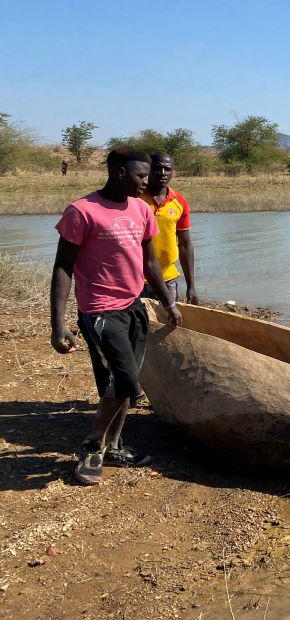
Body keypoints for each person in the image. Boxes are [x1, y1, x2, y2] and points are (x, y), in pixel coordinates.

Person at [50, 147, 182, 486]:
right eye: (141, 176)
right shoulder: (82, 211)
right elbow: (63, 267)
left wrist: (169, 302)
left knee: (118, 383)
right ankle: (93, 446)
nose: (147, 182)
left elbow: (150, 262)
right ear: (121, 173)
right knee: (125, 382)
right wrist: (59, 324)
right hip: (99, 310)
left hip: (134, 306)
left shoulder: (141, 209)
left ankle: (115, 446)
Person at [140, 152, 199, 306]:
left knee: (169, 325)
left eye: (167, 169)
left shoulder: (179, 201)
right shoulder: (134, 198)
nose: (163, 173)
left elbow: (185, 245)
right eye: (158, 168)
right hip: (135, 278)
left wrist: (191, 286)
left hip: (167, 278)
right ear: (148, 170)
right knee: (137, 327)